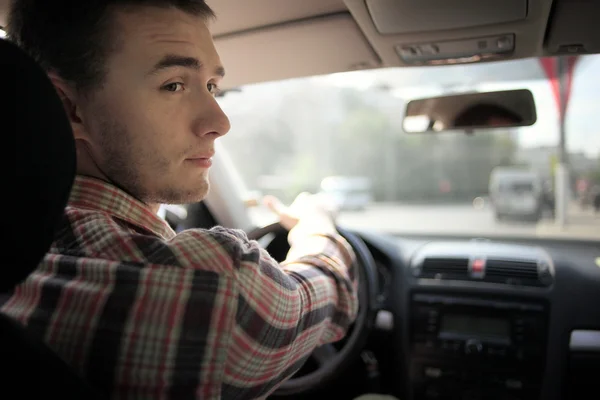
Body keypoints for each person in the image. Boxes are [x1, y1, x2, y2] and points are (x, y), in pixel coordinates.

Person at [0, 1, 384, 399]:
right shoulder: (209, 281)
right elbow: (324, 293)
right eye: (174, 85)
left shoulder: (22, 251)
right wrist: (316, 227)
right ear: (69, 108)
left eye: (212, 87)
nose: (220, 123)